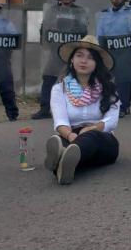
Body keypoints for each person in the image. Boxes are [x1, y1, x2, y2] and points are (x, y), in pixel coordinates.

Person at [45, 36, 120, 185]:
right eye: (79, 55)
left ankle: (63, 156)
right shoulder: (59, 89)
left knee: (90, 137)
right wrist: (71, 135)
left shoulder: (109, 89)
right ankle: (64, 164)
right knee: (61, 140)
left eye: (90, 58)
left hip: (101, 137)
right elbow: (60, 120)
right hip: (70, 133)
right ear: (72, 60)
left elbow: (112, 120)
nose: (84, 61)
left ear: (96, 64)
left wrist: (92, 128)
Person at [34, 0, 88, 120]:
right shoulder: (52, 10)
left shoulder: (80, 11)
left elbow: (83, 31)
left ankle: (75, 110)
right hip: (54, 52)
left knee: (74, 81)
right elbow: (44, 28)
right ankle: (45, 109)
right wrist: (44, 42)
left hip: (72, 53)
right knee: (48, 78)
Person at [96, 0, 131, 118]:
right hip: (109, 50)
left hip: (125, 50)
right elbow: (100, 34)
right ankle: (107, 104)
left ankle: (123, 106)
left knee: (124, 80)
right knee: (106, 79)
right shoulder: (103, 14)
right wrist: (99, 51)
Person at [0, 0, 20, 120]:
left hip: (1, 58)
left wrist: (6, 54)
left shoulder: (6, 23)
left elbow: (14, 39)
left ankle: (12, 115)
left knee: (6, 88)